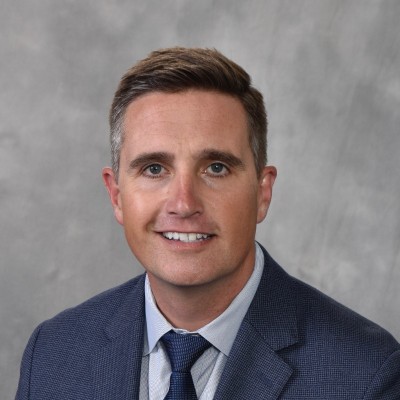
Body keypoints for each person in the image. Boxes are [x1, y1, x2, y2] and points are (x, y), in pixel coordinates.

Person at [16, 47, 400, 400]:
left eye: (216, 168)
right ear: (116, 195)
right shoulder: (52, 355)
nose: (184, 204)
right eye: (154, 169)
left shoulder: (366, 374)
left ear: (262, 192)